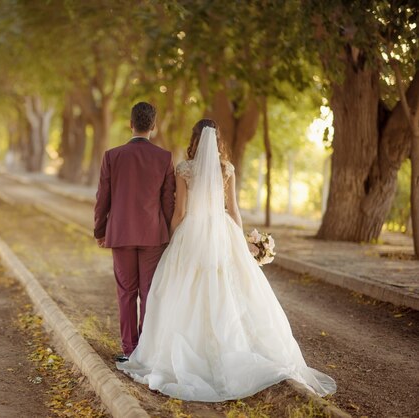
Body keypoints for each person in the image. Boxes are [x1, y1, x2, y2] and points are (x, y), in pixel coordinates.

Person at [116, 119, 337, 401]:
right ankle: (232, 347)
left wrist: (172, 239)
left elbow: (181, 212)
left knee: (182, 291)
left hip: (192, 233)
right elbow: (233, 210)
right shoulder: (226, 170)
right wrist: (243, 242)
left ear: (194, 140)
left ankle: (180, 353)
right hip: (222, 233)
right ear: (217, 140)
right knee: (230, 290)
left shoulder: (184, 169)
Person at [94, 102, 176, 361]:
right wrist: (170, 234)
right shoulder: (164, 158)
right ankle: (147, 351)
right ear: (154, 126)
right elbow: (168, 202)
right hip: (153, 235)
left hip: (120, 233)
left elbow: (102, 198)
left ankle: (129, 350)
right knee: (149, 292)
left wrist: (100, 230)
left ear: (130, 124)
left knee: (126, 293)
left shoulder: (112, 156)